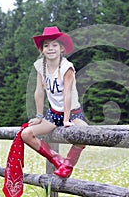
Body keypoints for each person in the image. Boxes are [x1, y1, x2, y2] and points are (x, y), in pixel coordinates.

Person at [21, 26, 87, 178]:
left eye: (54, 45)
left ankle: (68, 165)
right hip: (53, 114)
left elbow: (67, 94)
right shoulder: (40, 66)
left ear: (62, 48)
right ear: (41, 50)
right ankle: (57, 160)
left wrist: (66, 119)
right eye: (46, 45)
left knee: (85, 134)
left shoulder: (67, 67)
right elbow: (39, 92)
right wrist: (38, 116)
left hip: (72, 113)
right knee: (26, 134)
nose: (50, 48)